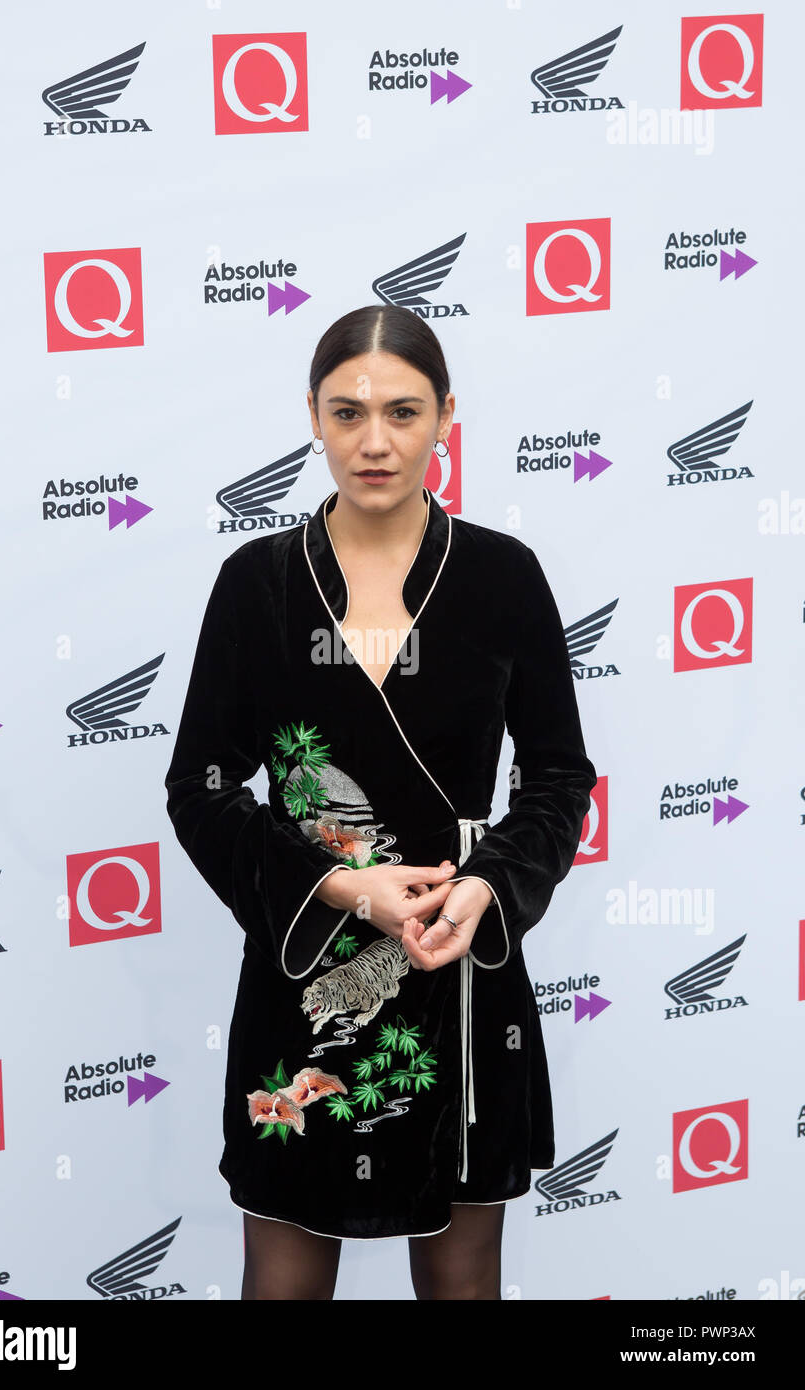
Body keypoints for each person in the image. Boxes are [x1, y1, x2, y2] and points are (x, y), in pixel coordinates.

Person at [164, 304, 597, 1300]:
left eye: (402, 411)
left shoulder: (502, 577)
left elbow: (558, 775)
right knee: (281, 1282)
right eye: (346, 411)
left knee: (460, 1281)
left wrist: (488, 887)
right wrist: (337, 886)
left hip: (457, 958)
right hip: (310, 968)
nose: (374, 440)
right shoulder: (257, 584)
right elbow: (203, 784)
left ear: (446, 416)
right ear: (311, 418)